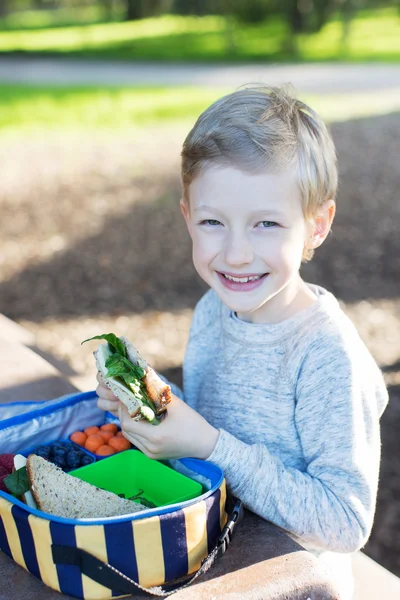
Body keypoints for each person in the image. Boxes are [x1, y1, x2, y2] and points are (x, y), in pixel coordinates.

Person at [96, 85, 388, 599]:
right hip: (212, 558)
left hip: (293, 584)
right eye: (213, 223)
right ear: (187, 216)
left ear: (316, 225)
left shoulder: (327, 356)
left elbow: (345, 523)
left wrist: (210, 445)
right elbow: (215, 427)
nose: (234, 254)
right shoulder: (215, 309)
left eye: (266, 224)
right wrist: (157, 403)